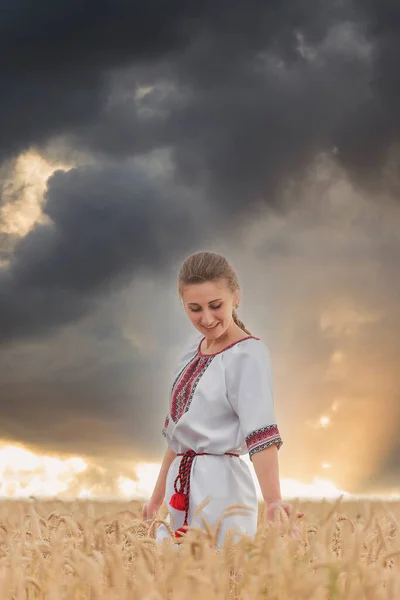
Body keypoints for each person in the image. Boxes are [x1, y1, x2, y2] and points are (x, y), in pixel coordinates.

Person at [142, 251, 303, 547]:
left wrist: (273, 501)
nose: (206, 318)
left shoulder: (249, 354)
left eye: (216, 305)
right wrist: (156, 498)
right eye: (194, 308)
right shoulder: (190, 350)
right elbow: (177, 437)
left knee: (222, 577)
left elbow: (261, 435)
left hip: (222, 488)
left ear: (236, 296)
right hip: (180, 488)